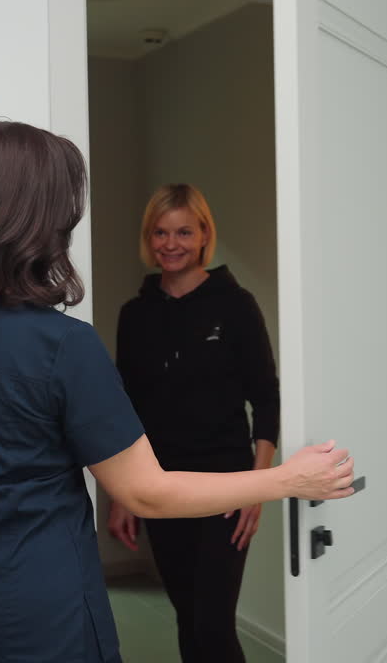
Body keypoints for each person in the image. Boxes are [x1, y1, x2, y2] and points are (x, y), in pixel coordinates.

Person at [0, 121, 355, 663]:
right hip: (44, 620)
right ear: (45, 222)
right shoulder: (63, 345)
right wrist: (289, 479)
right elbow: (145, 491)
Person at [106, 184, 277, 663]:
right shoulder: (134, 315)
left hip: (226, 486)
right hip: (161, 486)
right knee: (186, 617)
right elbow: (127, 409)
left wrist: (256, 487)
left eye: (184, 231)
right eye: (160, 232)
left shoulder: (236, 306)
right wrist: (124, 495)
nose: (171, 243)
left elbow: (266, 398)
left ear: (204, 235)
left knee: (213, 625)